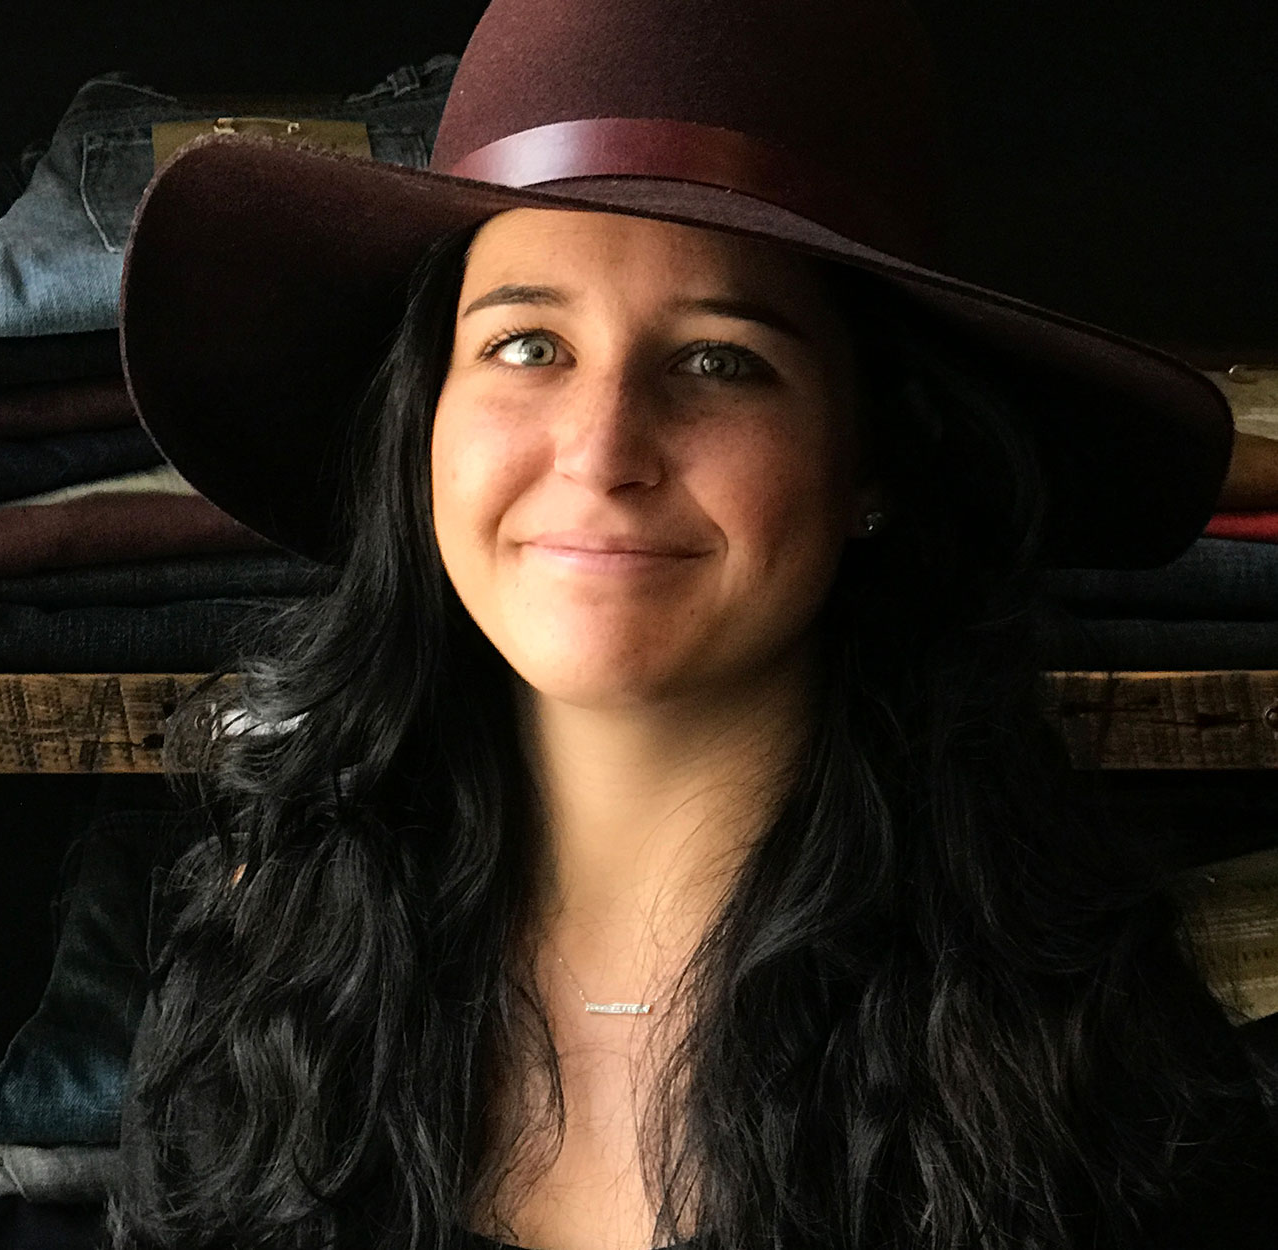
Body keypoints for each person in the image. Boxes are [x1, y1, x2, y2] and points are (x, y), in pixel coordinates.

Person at [105, 1, 1278, 1248]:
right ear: (424, 421)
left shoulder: (1090, 1071)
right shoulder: (264, 967)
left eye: (719, 360)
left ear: (868, 455)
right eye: (527, 343)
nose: (603, 449)